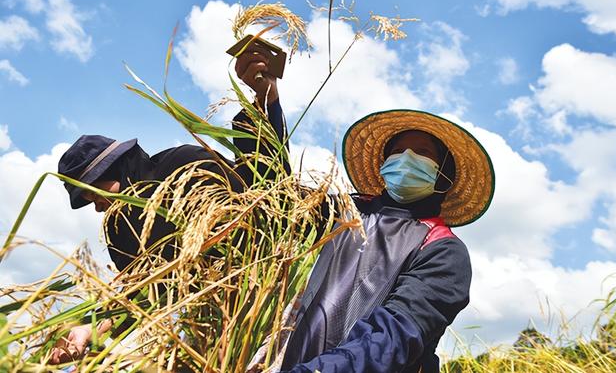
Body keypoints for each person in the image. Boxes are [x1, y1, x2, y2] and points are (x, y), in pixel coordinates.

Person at [51, 45, 289, 364]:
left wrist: (263, 99)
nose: (98, 208)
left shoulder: (182, 166)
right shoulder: (122, 236)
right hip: (214, 330)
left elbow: (264, 183)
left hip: (272, 300)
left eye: (95, 192)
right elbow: (141, 295)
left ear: (116, 168)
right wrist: (88, 330)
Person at [279, 110, 495, 372]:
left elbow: (392, 338)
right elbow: (272, 200)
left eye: (423, 152)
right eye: (398, 150)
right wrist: (266, 104)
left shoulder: (443, 249)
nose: (406, 158)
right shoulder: (345, 212)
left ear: (444, 174)